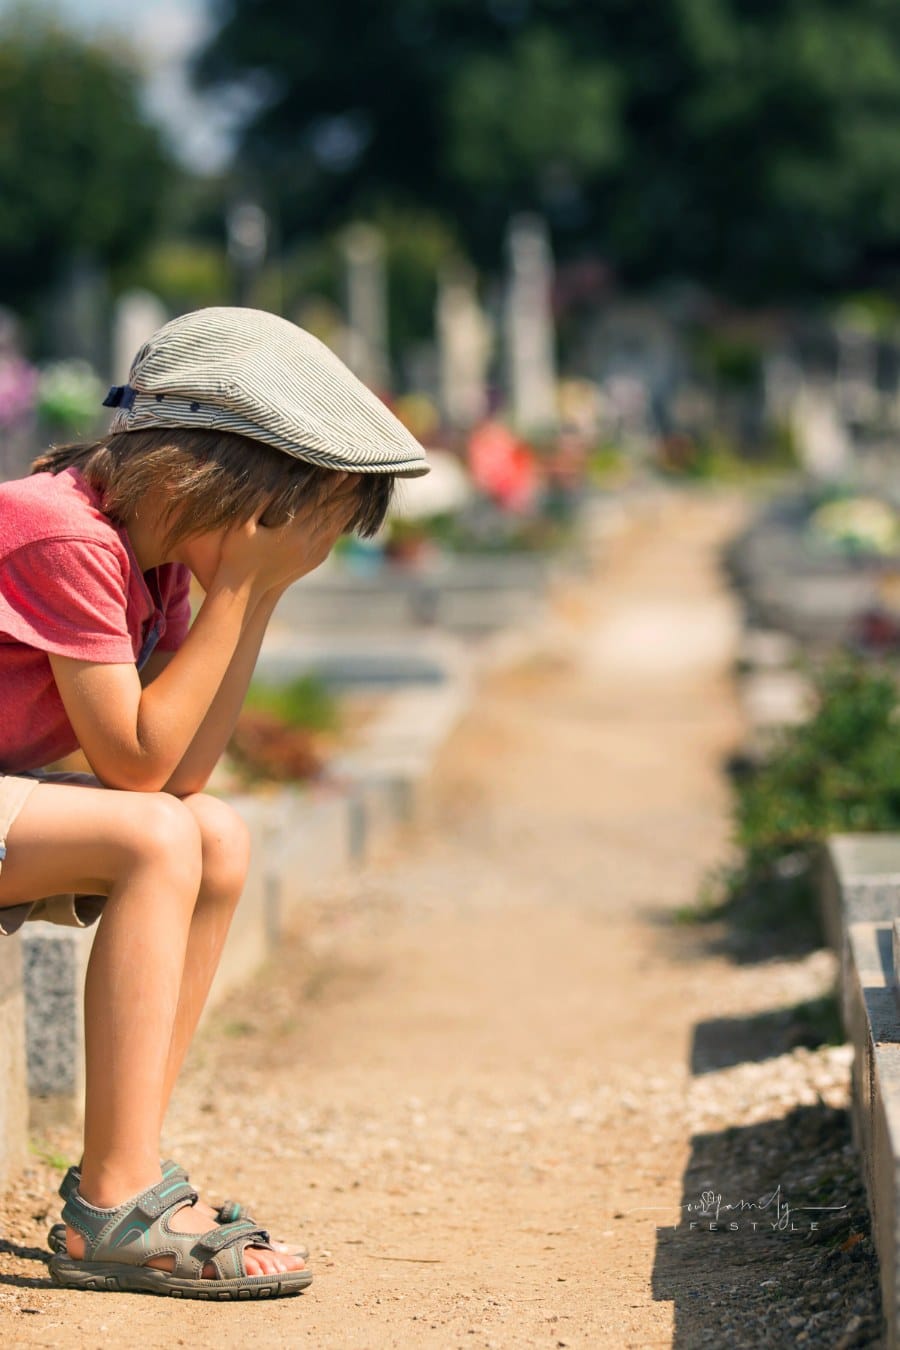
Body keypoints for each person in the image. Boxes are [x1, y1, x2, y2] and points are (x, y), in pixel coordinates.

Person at [0, 307, 429, 1299]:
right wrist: (241, 595)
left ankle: (131, 1161)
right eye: (297, 520)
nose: (301, 546)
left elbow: (185, 775)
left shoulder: (153, 559)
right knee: (156, 839)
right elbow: (138, 773)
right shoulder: (59, 530)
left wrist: (256, 597)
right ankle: (116, 1202)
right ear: (218, 476)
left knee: (218, 838)